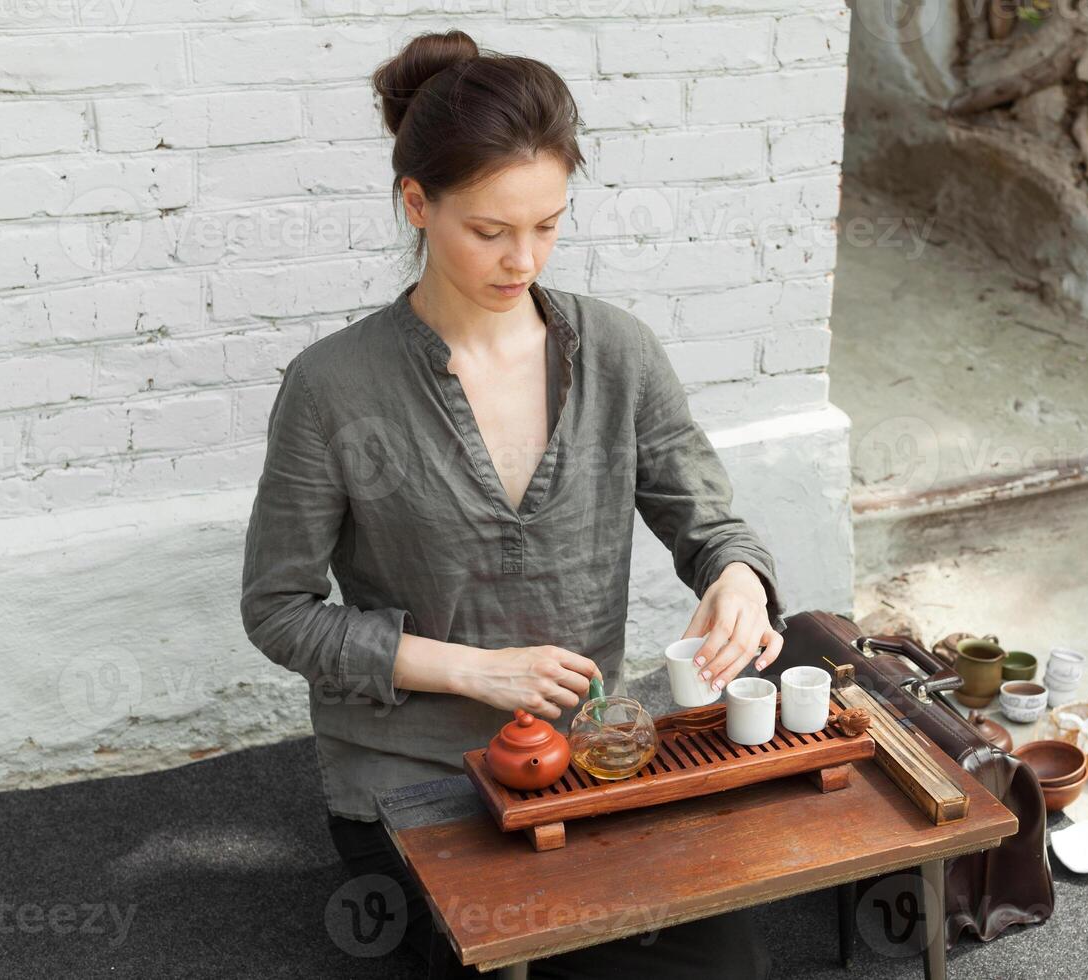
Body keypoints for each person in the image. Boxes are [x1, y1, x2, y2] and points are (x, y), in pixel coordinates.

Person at [239, 28, 788, 980]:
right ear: (416, 202)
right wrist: (471, 672)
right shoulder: (333, 388)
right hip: (411, 776)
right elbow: (278, 612)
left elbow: (710, 524)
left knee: (719, 963)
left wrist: (737, 580)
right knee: (517, 953)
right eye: (489, 231)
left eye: (548, 224)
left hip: (588, 758)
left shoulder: (618, 353)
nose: (522, 259)